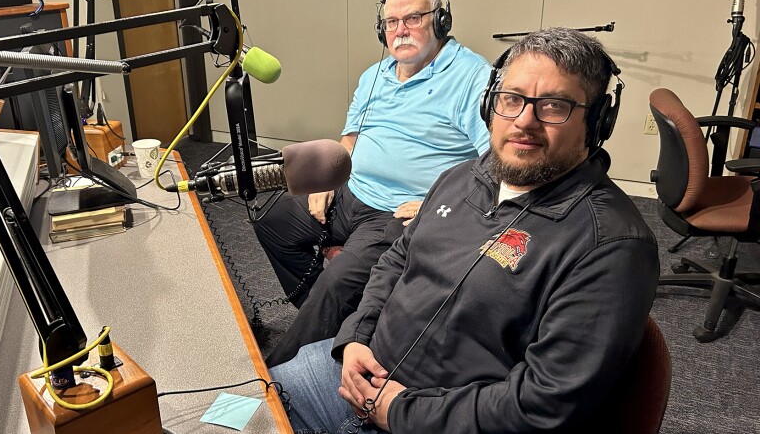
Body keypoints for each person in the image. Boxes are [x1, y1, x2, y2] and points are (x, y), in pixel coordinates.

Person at [269, 27, 660, 433]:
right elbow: (396, 260)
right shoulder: (464, 176)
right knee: (236, 405)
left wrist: (400, 411)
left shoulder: (611, 246)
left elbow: (545, 402)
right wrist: (354, 337)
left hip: (427, 420)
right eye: (511, 99)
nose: (524, 121)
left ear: (597, 122)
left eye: (553, 106)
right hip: (356, 372)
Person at [254, 0, 492, 367]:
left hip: (398, 212)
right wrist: (327, 181)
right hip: (352, 192)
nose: (400, 30)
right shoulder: (375, 74)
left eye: (413, 18)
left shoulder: (471, 78)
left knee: (335, 284)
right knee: (274, 224)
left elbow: (495, 161)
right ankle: (334, 324)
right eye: (391, 21)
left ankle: (274, 383)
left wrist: (438, 203)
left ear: (440, 20)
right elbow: (350, 138)